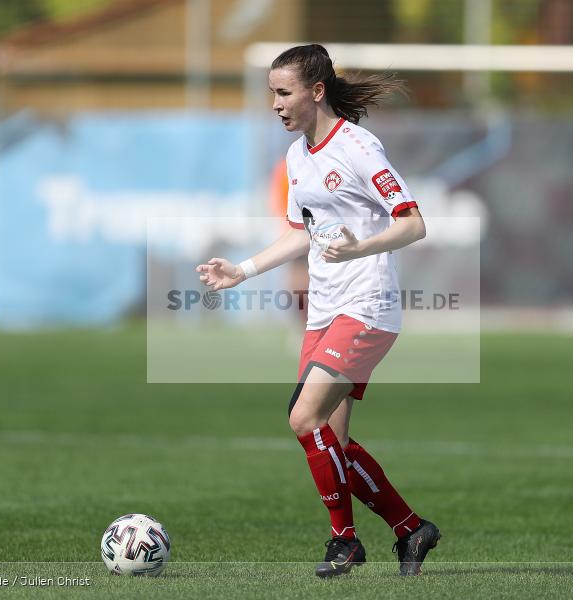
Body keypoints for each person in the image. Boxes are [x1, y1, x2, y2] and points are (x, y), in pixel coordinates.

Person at [196, 44, 440, 578]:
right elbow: (300, 233)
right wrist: (242, 271)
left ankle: (344, 542)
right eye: (272, 94)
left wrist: (359, 248)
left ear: (317, 91)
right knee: (334, 442)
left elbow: (413, 223)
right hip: (324, 312)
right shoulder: (296, 156)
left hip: (367, 305)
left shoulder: (358, 146)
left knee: (303, 418)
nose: (275, 104)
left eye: (284, 93)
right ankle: (410, 529)